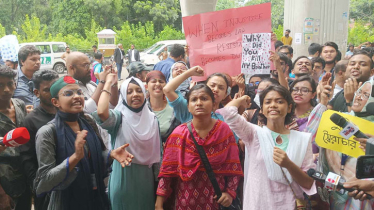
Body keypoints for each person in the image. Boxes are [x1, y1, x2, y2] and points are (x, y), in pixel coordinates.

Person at [34, 75, 133, 210]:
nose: (76, 96)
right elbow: (45, 181)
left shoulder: (88, 121)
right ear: (55, 102)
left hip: (96, 199)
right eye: (68, 93)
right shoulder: (47, 133)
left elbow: (95, 157)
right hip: (67, 203)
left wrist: (111, 154)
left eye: (79, 92)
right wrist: (75, 158)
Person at [217, 87, 316, 210]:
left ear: (289, 108)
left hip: (289, 204)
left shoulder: (302, 139)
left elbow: (309, 182)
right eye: (268, 102)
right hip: (258, 203)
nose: (273, 105)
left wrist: (288, 164)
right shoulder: (253, 133)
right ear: (262, 109)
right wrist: (242, 100)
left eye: (279, 101)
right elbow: (228, 113)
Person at [155, 84, 243, 210]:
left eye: (204, 98)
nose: (199, 103)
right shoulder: (179, 134)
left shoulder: (224, 131)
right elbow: (167, 172)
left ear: (213, 104)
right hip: (184, 202)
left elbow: (234, 166)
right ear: (188, 107)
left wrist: (230, 193)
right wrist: (159, 204)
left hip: (216, 202)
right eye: (194, 100)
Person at [306, 75, 374, 209]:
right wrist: (323, 103)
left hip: (361, 197)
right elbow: (310, 135)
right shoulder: (340, 119)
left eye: (366, 95)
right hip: (331, 192)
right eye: (359, 92)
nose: (359, 97)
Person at [93, 76, 161, 210]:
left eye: (138, 91)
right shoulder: (118, 118)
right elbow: (101, 112)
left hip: (146, 182)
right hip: (123, 179)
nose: (135, 95)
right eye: (129, 92)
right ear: (123, 96)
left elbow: (159, 156)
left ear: (144, 93)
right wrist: (108, 83)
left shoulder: (153, 120)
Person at [21, 70, 59, 210]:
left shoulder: (68, 113)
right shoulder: (31, 121)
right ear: (37, 93)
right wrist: (38, 186)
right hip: (46, 190)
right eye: (48, 90)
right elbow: (27, 157)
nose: (54, 93)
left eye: (56, 88)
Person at [0, 65, 30, 210]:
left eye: (9, 84)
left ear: (15, 84)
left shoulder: (20, 105)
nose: (6, 89)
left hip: (24, 178)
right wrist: (1, 194)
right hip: (4, 182)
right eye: (0, 85)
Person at [145, 70, 180, 143]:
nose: (157, 84)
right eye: (153, 81)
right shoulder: (141, 109)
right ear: (146, 86)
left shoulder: (175, 108)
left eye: (161, 82)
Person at [13, 45, 41, 109]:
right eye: (33, 59)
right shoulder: (13, 78)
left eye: (39, 59)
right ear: (22, 61)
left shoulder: (42, 78)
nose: (38, 62)